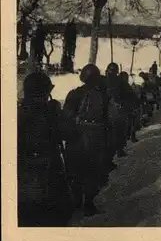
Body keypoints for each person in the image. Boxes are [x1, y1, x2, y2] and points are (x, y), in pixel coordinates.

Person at [18, 71, 74, 226]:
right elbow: (68, 133)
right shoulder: (49, 111)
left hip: (24, 177)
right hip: (50, 173)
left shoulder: (19, 113)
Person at [63, 64, 108, 217]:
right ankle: (88, 204)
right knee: (92, 171)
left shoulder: (74, 94)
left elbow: (66, 116)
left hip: (77, 136)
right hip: (96, 136)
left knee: (75, 169)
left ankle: (76, 201)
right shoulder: (103, 95)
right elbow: (108, 119)